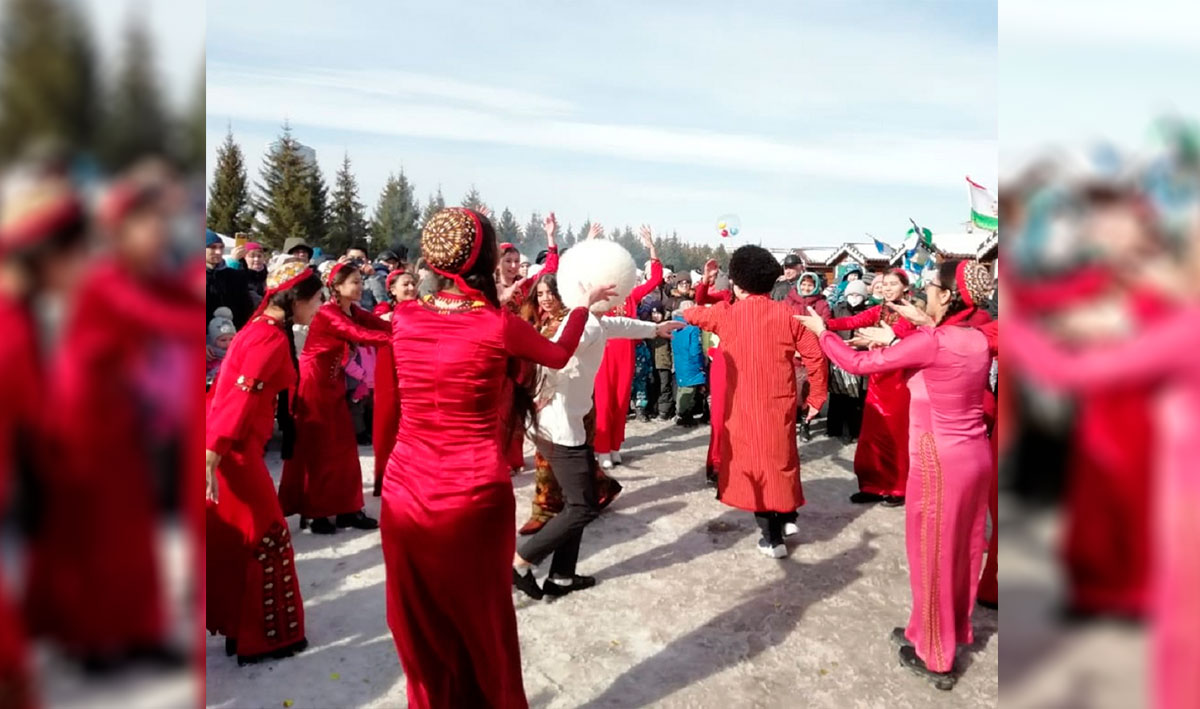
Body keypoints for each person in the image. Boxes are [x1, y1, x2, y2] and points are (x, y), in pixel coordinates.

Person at [381, 207, 612, 707]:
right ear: (484, 259)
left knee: (420, 617)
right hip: (470, 494)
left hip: (403, 491)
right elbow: (556, 355)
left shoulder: (404, 316)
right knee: (481, 619)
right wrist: (583, 308)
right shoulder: (495, 325)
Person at [27, 179, 200, 673]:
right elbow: (165, 318)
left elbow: (179, 298)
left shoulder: (144, 273)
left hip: (121, 413)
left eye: (162, 223)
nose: (160, 233)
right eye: (149, 224)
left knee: (133, 528)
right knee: (96, 531)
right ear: (119, 229)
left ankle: (139, 629)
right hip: (82, 414)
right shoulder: (107, 277)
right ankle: (92, 638)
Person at [797, 259, 994, 690]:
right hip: (974, 455)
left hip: (939, 458)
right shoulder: (975, 338)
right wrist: (920, 322)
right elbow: (941, 341)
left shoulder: (934, 342)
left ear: (946, 296)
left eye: (929, 289)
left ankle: (935, 656)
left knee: (933, 554)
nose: (923, 294)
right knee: (960, 552)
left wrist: (823, 333)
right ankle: (936, 632)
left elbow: (857, 363)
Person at [515, 239, 683, 598]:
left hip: (558, 424)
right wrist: (542, 391)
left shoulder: (590, 322)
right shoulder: (585, 324)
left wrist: (656, 329)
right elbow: (553, 357)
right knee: (583, 506)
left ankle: (562, 575)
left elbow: (619, 325)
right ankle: (522, 561)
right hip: (561, 428)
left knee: (575, 502)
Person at [206, 260, 323, 665]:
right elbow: (238, 396)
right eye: (317, 299)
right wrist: (214, 447)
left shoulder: (259, 330)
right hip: (234, 452)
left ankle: (242, 630)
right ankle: (266, 637)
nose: (319, 307)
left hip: (235, 448)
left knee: (246, 541)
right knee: (269, 537)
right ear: (298, 300)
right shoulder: (268, 340)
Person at [684, 245, 827, 559]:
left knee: (755, 471)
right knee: (781, 460)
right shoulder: (790, 314)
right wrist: (816, 396)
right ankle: (788, 517)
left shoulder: (726, 313)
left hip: (743, 406)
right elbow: (816, 357)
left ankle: (771, 537)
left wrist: (684, 311)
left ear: (736, 284)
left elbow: (694, 313)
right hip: (780, 402)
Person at [278, 262, 391, 534]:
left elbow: (380, 325)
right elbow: (359, 335)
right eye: (354, 282)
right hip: (314, 383)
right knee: (318, 450)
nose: (360, 286)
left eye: (360, 281)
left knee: (343, 448)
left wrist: (415, 328)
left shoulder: (352, 309)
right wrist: (400, 341)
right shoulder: (328, 312)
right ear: (336, 286)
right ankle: (317, 512)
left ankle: (347, 509)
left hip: (334, 382)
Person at [517, 272, 625, 535]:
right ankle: (599, 488)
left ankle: (546, 509)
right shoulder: (541, 319)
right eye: (540, 293)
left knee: (553, 459)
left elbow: (556, 356)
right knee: (572, 459)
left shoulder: (577, 320)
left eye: (550, 293)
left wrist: (654, 329)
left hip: (569, 402)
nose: (544, 299)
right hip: (555, 402)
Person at [823, 269, 917, 506]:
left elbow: (912, 344)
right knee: (872, 437)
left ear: (905, 288)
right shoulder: (880, 310)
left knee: (896, 436)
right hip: (878, 380)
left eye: (892, 284)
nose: (886, 288)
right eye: (884, 284)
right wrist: (823, 324)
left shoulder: (914, 313)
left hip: (899, 383)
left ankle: (898, 487)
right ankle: (872, 485)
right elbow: (852, 321)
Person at [593, 224, 663, 470]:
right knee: (603, 400)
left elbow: (656, 278)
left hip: (626, 354)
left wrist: (652, 248)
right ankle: (601, 448)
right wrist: (590, 243)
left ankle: (614, 446)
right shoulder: (599, 295)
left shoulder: (631, 295)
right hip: (602, 353)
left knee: (621, 399)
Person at [372, 269, 417, 497]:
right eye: (405, 284)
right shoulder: (383, 310)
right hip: (388, 372)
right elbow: (380, 320)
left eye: (413, 284)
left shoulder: (422, 308)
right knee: (387, 423)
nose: (410, 288)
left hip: (414, 372)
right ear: (392, 289)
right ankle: (385, 477)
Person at [785, 271, 832, 440]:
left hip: (813, 353)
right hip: (791, 353)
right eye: (803, 284)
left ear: (816, 287)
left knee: (809, 389)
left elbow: (823, 327)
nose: (806, 288)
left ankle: (806, 422)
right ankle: (791, 423)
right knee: (790, 389)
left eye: (810, 285)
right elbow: (784, 325)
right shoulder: (788, 301)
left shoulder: (821, 304)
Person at [825, 279, 871, 442]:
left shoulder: (868, 311)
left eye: (858, 294)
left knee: (855, 397)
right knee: (837, 395)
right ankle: (833, 429)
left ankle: (854, 431)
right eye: (851, 294)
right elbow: (831, 328)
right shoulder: (838, 309)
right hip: (839, 356)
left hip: (859, 356)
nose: (854, 297)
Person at [206, 230, 254, 328]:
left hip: (233, 334)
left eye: (221, 247)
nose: (218, 252)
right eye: (213, 247)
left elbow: (245, 306)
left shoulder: (233, 275)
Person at [671, 302, 707, 426]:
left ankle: (680, 413)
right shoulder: (693, 328)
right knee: (689, 391)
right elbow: (695, 350)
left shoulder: (675, 327)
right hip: (691, 364)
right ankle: (684, 415)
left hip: (680, 362)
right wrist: (701, 364)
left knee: (682, 388)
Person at [207, 306, 238, 384]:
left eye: (231, 339)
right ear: (214, 341)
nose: (228, 343)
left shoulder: (238, 352)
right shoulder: (210, 355)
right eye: (223, 340)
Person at [241, 242, 268, 306]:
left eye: (259, 256)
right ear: (244, 258)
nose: (256, 259)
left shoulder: (268, 276)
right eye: (252, 256)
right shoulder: (241, 276)